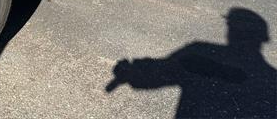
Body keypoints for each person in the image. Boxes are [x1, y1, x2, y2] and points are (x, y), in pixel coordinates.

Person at [106, 8, 276, 118]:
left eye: (231, 25)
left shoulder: (199, 48)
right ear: (265, 37)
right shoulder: (272, 78)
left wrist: (130, 73)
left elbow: (159, 76)